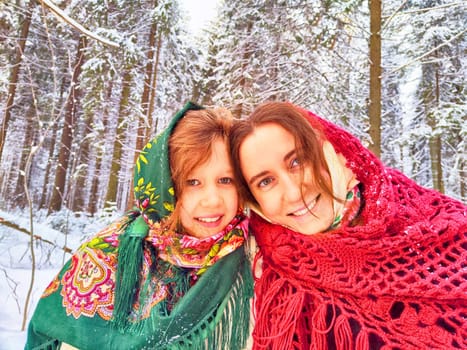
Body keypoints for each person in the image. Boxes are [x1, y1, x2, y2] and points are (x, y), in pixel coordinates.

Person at [229, 101, 467, 350]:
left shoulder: (439, 229)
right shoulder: (256, 272)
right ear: (252, 198)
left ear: (329, 153)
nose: (292, 193)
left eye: (297, 162)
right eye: (266, 182)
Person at [25, 102, 253, 350]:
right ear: (165, 186)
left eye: (225, 180)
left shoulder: (257, 257)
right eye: (192, 182)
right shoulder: (107, 257)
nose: (212, 200)